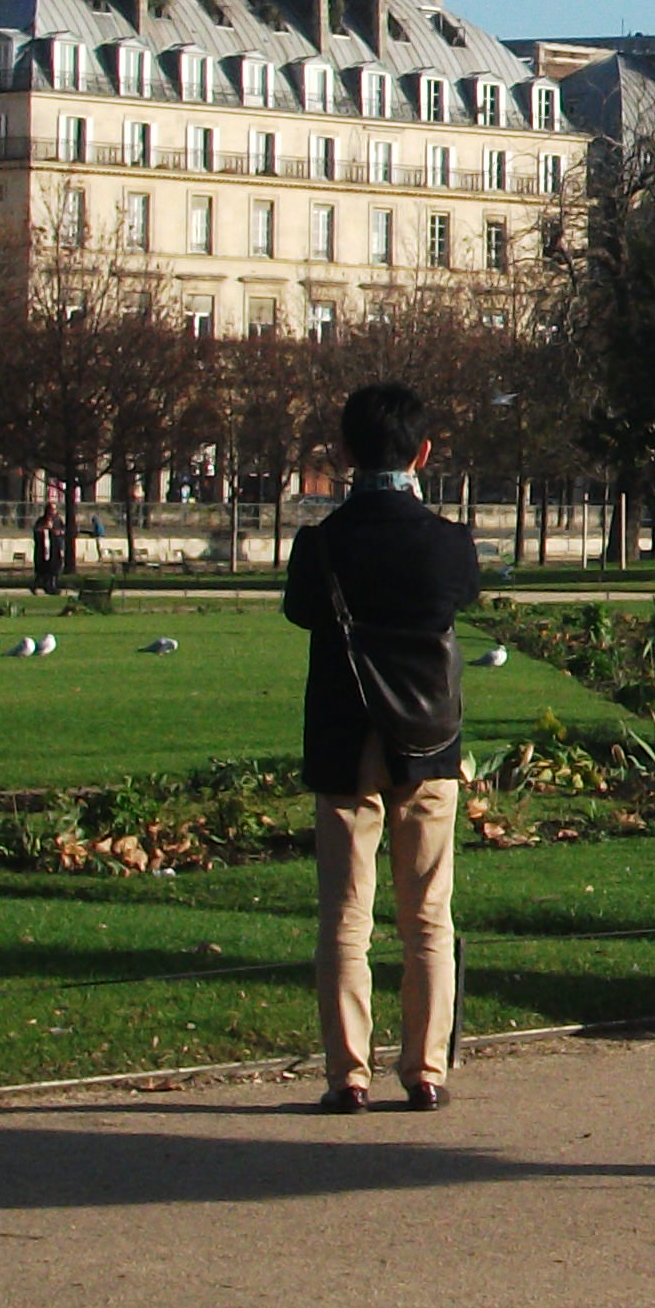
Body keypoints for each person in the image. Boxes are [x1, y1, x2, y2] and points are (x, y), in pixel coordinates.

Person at [283, 380, 480, 1111]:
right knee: (428, 912)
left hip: (343, 738)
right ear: (423, 453)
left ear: (342, 453)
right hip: (427, 740)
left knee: (345, 915)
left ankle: (348, 1074)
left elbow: (304, 612)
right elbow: (457, 600)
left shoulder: (321, 546)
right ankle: (426, 1070)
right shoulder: (446, 543)